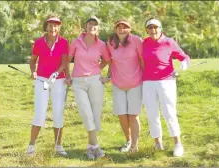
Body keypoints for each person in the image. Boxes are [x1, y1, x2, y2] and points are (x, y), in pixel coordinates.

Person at [142, 17, 190, 157]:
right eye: (150, 28)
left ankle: (177, 143)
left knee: (169, 113)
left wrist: (184, 64)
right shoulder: (144, 43)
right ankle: (158, 143)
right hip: (148, 83)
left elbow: (184, 57)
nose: (153, 30)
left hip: (166, 81)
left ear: (160, 28)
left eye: (155, 27)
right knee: (152, 114)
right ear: (146, 30)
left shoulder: (169, 42)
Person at [65, 16, 111, 159]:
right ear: (85, 27)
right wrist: (67, 75)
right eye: (90, 24)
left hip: (95, 81)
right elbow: (67, 59)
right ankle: (96, 146)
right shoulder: (75, 42)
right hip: (78, 82)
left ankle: (90, 148)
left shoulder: (102, 44)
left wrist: (105, 76)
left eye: (95, 25)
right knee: (86, 112)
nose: (92, 26)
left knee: (96, 114)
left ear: (98, 28)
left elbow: (108, 60)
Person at [27, 14, 68, 157]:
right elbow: (33, 60)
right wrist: (33, 72)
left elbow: (64, 62)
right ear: (46, 26)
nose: (53, 28)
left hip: (58, 81)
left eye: (56, 25)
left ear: (59, 27)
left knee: (58, 112)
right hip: (42, 81)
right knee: (40, 112)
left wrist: (57, 73)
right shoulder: (39, 42)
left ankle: (58, 146)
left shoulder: (63, 42)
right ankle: (31, 146)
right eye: (50, 25)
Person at [102, 19, 144, 153]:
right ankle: (128, 140)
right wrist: (107, 76)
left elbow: (143, 60)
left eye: (125, 27)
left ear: (129, 29)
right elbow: (109, 61)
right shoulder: (111, 42)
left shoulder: (136, 40)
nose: (121, 29)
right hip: (118, 83)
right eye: (119, 27)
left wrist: (147, 78)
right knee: (122, 115)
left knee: (133, 115)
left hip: (135, 83)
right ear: (115, 29)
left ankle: (134, 145)